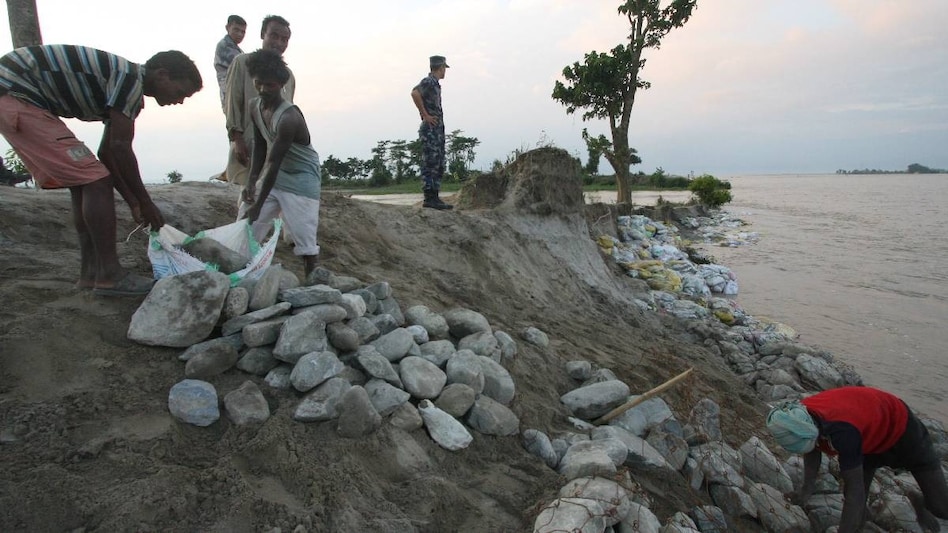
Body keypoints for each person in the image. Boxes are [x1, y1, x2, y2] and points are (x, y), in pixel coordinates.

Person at [0, 45, 202, 296]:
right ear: (161, 75)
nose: (179, 100)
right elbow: (120, 148)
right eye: (180, 91)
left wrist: (134, 202)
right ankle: (109, 275)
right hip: (14, 94)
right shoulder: (130, 80)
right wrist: (146, 202)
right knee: (94, 181)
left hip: (15, 95)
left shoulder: (124, 87)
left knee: (84, 180)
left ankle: (91, 273)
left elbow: (107, 153)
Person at [767, 386, 948, 533]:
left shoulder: (842, 432)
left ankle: (921, 502)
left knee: (941, 507)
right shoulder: (797, 417)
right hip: (868, 436)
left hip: (901, 428)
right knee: (857, 510)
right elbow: (812, 449)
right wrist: (805, 491)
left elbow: (855, 491)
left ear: (810, 432)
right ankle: (860, 524)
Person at [240, 49, 320, 277]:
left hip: (301, 178)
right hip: (275, 174)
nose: (264, 90)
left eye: (270, 85)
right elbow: (260, 146)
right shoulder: (255, 106)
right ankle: (241, 270)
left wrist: (258, 204)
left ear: (282, 85)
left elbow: (273, 162)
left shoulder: (289, 118)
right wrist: (251, 181)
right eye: (259, 84)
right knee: (247, 225)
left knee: (303, 237)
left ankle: (312, 277)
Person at [223, 14, 295, 202]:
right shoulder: (242, 63)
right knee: (245, 199)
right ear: (263, 34)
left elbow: (289, 115)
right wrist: (237, 139)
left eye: (284, 39)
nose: (279, 43)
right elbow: (232, 103)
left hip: (275, 150)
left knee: (270, 202)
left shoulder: (288, 75)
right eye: (274, 36)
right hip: (247, 144)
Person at [410, 55, 453, 210]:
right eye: (444, 68)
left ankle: (434, 197)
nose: (444, 71)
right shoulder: (428, 82)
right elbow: (415, 93)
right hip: (430, 130)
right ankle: (429, 197)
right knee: (431, 162)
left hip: (437, 130)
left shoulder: (435, 84)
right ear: (440, 67)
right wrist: (425, 114)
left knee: (439, 163)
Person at [213, 14, 246, 107]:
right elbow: (245, 64)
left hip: (236, 93)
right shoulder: (224, 45)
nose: (240, 34)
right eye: (236, 30)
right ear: (227, 28)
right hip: (230, 94)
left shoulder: (237, 49)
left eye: (243, 32)